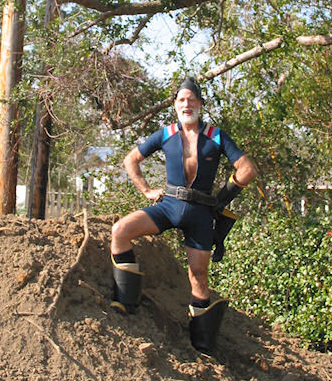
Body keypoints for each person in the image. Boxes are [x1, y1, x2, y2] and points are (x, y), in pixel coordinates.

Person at [110, 76, 257, 353]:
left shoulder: (216, 135)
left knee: (199, 276)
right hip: (168, 206)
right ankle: (126, 306)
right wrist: (146, 190)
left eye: (191, 99)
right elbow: (131, 160)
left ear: (200, 104)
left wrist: (223, 197)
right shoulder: (166, 134)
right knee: (120, 232)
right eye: (181, 100)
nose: (186, 104)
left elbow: (247, 169)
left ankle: (202, 346)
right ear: (175, 106)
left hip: (201, 214)